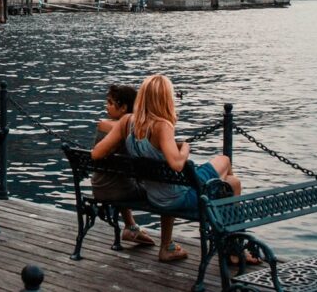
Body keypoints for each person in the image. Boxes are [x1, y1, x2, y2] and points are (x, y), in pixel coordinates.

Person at [93, 73, 249, 264]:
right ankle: (233, 249)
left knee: (232, 183)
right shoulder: (162, 125)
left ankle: (171, 246)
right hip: (178, 199)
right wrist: (185, 148)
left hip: (155, 196)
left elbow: (96, 154)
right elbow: (176, 164)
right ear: (165, 98)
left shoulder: (127, 122)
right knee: (224, 161)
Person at [92, 84, 154, 246]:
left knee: (122, 177)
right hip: (120, 190)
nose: (107, 106)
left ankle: (131, 226)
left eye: (110, 103)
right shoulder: (136, 130)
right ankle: (167, 243)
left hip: (99, 186)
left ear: (123, 108)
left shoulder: (103, 125)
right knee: (158, 186)